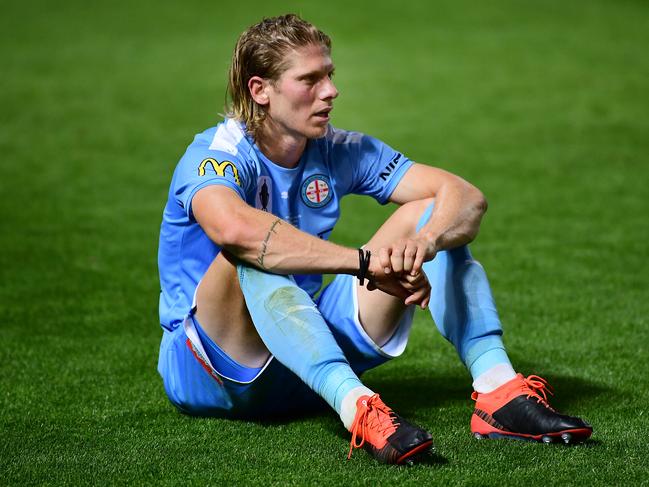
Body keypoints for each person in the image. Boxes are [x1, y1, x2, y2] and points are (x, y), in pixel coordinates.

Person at [157, 14, 592, 464]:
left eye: (329, 75)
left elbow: (465, 198)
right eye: (309, 79)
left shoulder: (338, 148)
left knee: (432, 213)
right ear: (260, 90)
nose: (330, 90)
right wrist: (366, 263)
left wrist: (423, 245)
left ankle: (497, 390)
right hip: (215, 370)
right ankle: (357, 408)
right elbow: (235, 230)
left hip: (302, 353)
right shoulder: (216, 155)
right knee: (247, 253)